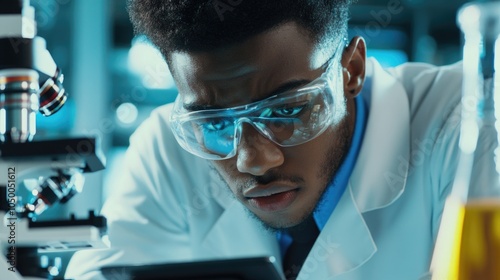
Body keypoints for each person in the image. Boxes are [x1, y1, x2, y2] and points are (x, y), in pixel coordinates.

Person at [65, 1, 491, 279]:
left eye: (286, 110)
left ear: (351, 71)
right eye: (216, 120)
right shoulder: (167, 148)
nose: (254, 160)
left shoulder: (470, 127)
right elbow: (103, 271)